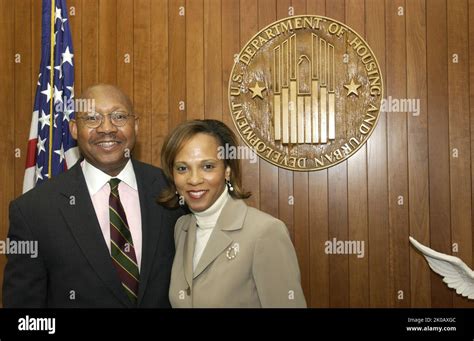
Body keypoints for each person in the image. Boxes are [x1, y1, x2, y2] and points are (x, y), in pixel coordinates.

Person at [3, 84, 183, 308]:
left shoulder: (174, 191)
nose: (107, 128)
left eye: (119, 116)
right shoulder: (33, 210)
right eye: (91, 118)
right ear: (74, 129)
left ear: (135, 125)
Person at [158, 119, 306, 307]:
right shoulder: (182, 227)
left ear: (227, 170)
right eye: (182, 168)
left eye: (208, 166)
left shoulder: (265, 232)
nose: (194, 179)